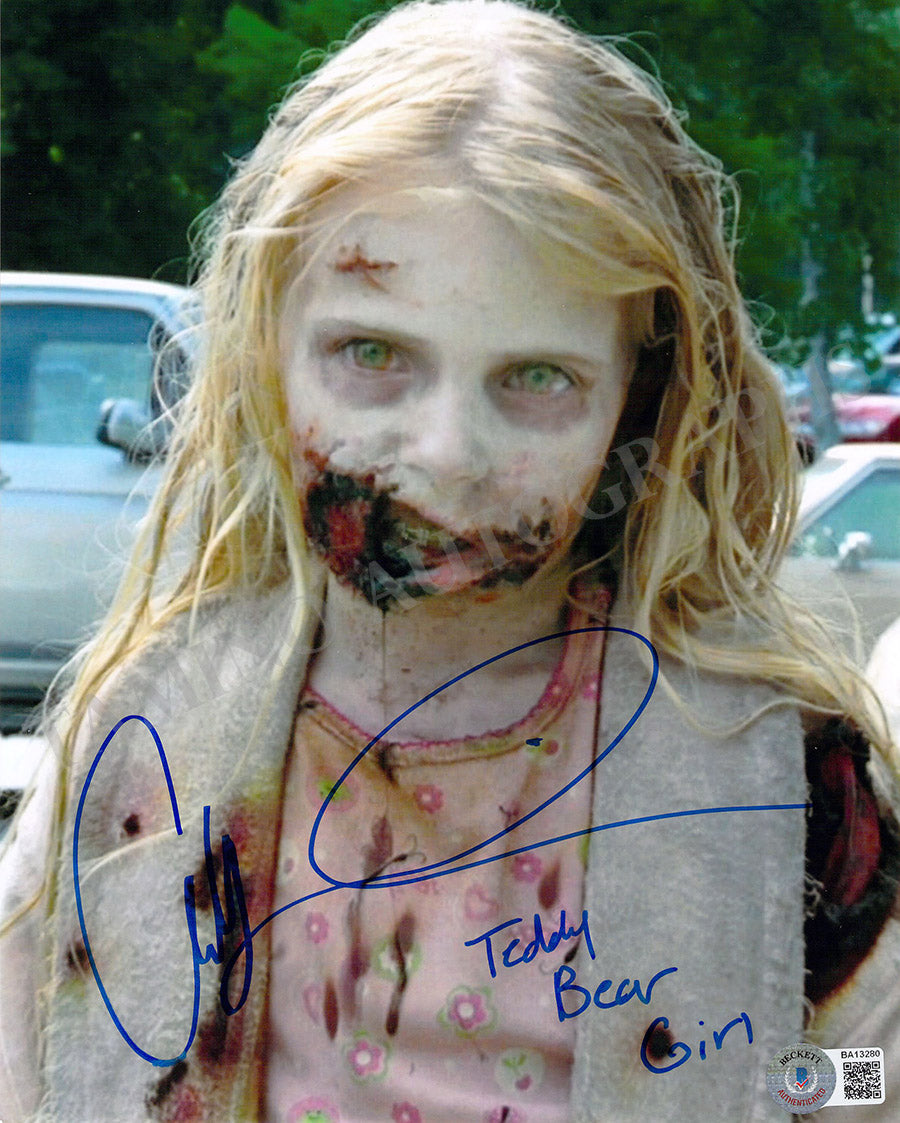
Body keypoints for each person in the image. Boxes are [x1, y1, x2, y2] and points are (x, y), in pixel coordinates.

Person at [1, 2, 898, 1119]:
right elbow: (29, 1059)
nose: (447, 452)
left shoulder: (782, 777)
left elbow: (876, 1075)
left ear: (638, 396)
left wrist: (777, 1087)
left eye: (537, 378)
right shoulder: (141, 742)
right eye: (372, 353)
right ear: (267, 352)